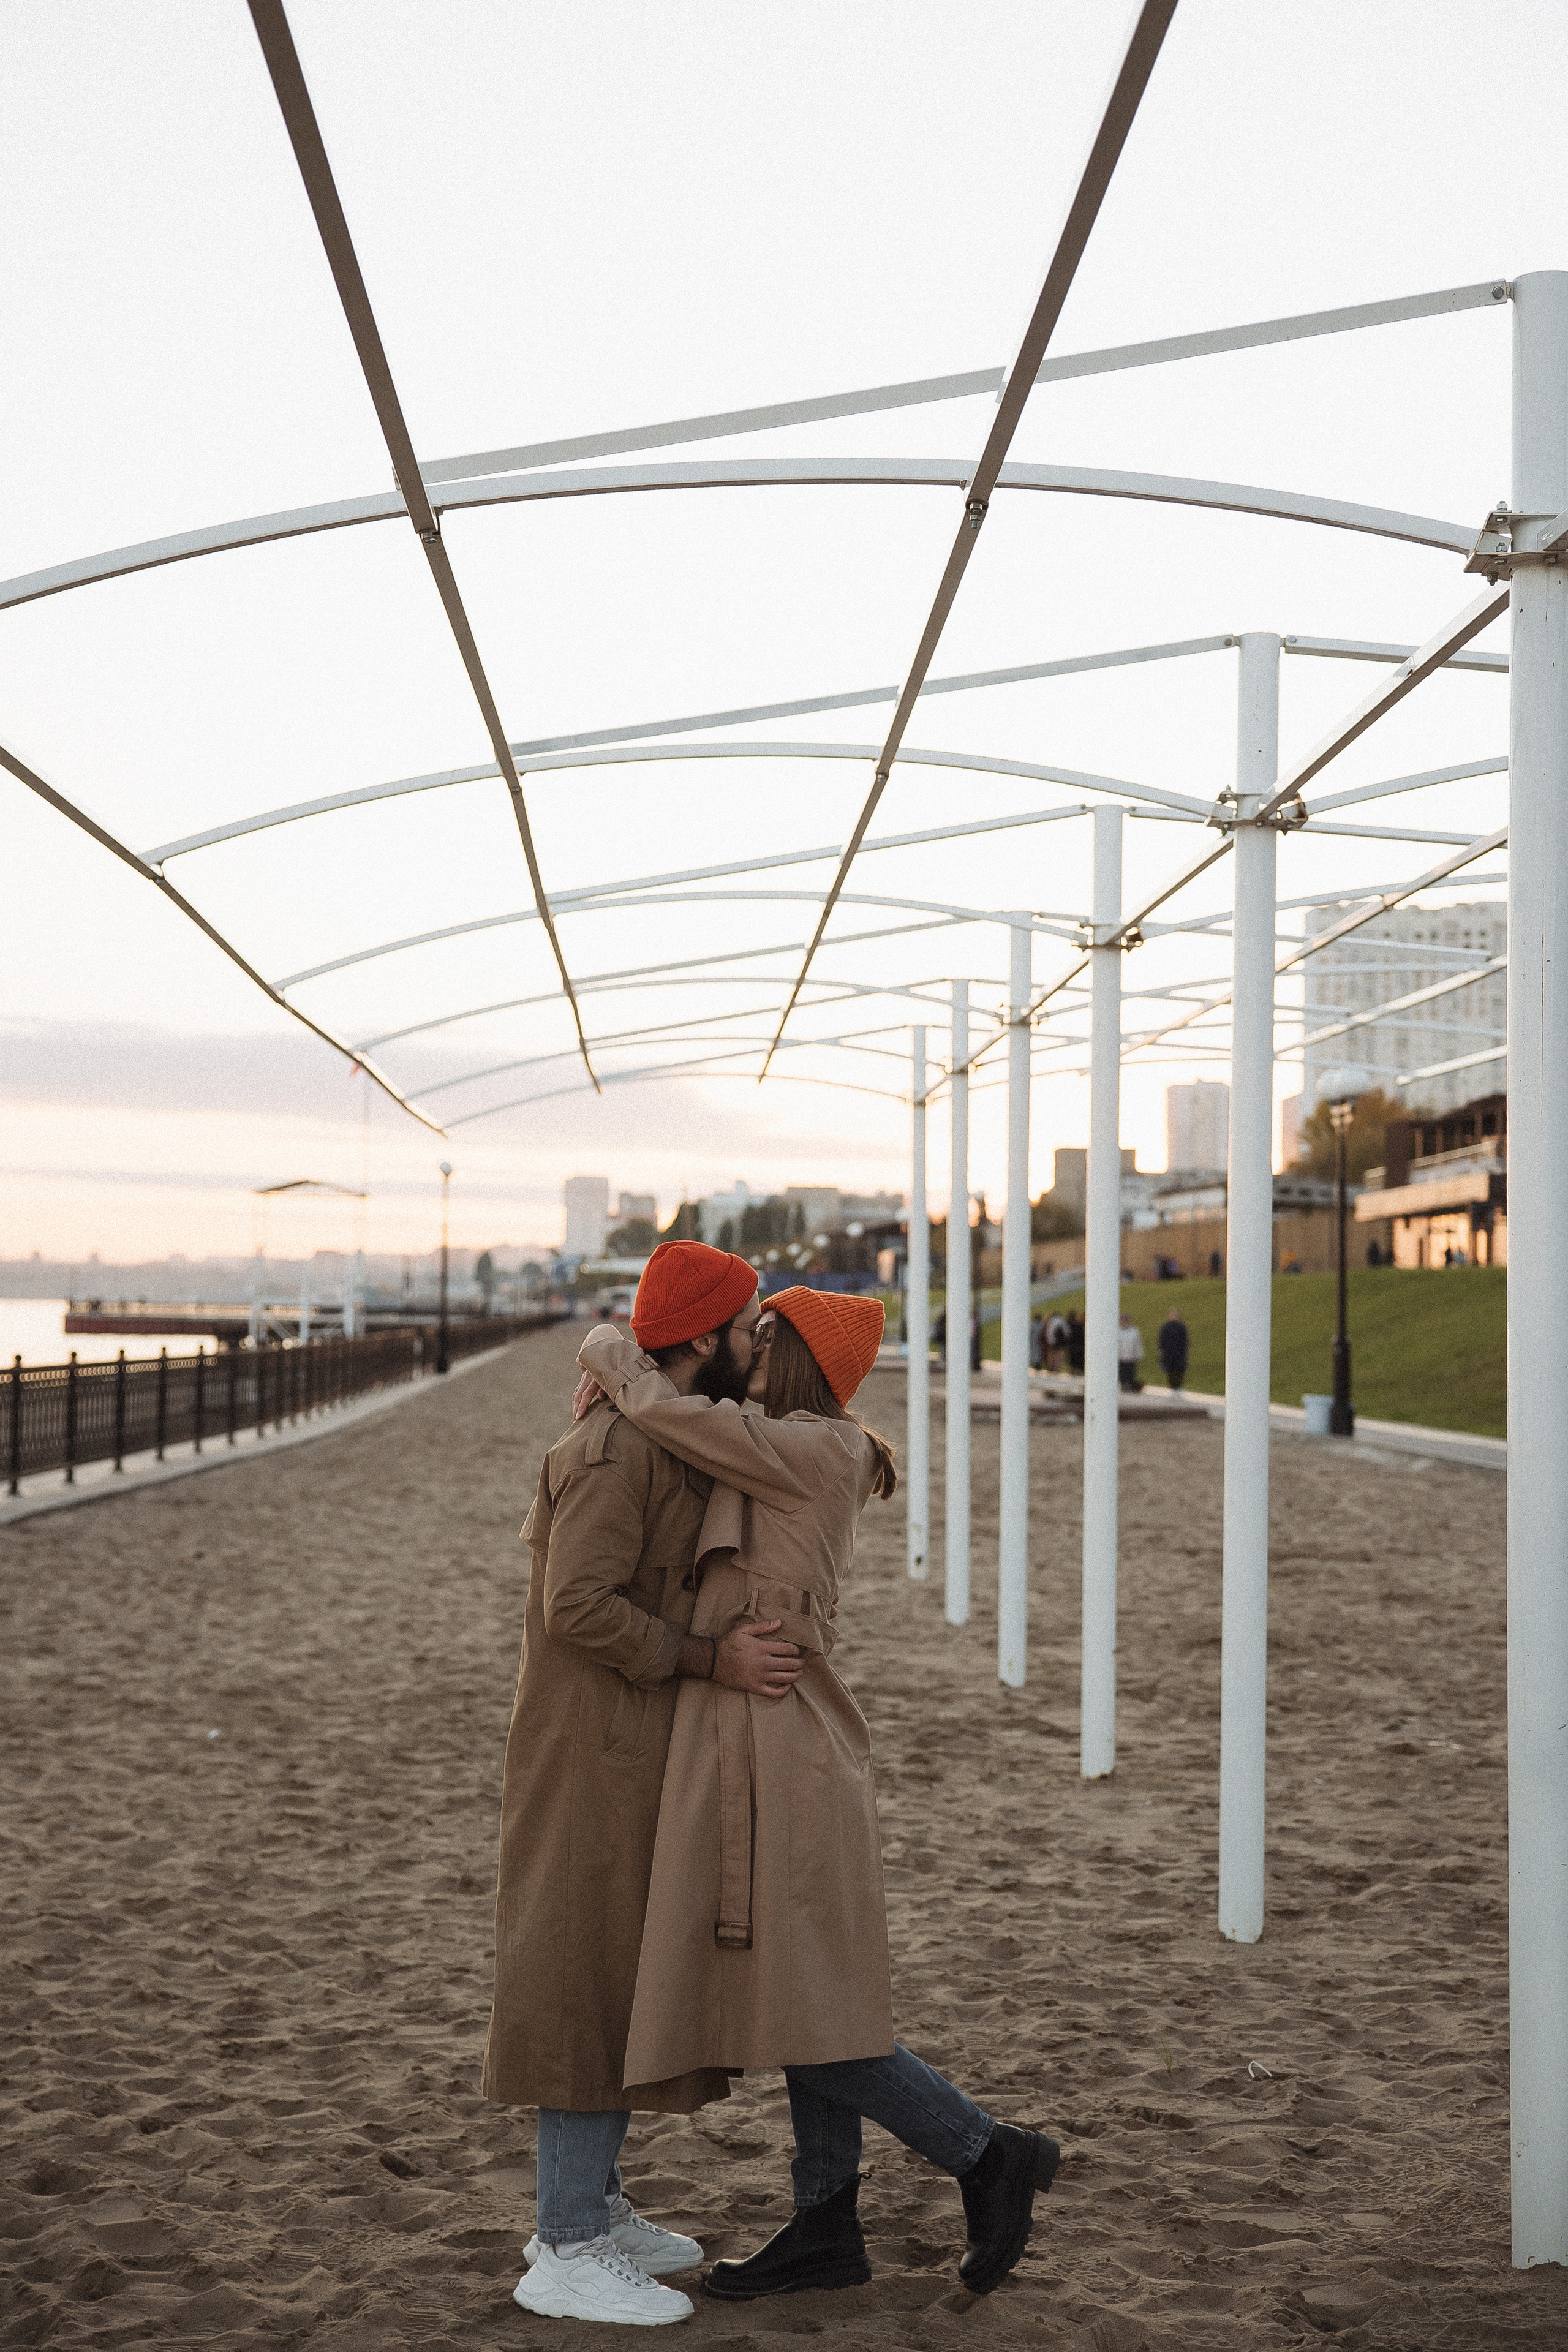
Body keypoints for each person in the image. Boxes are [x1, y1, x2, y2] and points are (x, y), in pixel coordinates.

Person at [576, 1292, 1060, 2304]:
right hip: (762, 1730)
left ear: (792, 1355)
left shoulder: (811, 1448)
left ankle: (986, 2154)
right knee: (805, 1990)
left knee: (804, 2008)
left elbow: (668, 1415)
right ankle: (826, 2222)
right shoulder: (796, 1443)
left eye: (761, 1334)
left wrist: (606, 1347)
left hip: (778, 1741)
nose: (745, 1344)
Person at [485, 1242, 809, 2328]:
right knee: (583, 1977)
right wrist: (711, 1659)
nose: (757, 1339)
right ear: (703, 1340)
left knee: (618, 1975)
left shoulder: (658, 1428)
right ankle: (566, 2245)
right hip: (589, 1751)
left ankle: (593, 2208)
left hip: (627, 1744)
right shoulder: (620, 1451)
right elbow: (576, 1603)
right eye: (748, 1324)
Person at [1156, 1308, 1189, 1393]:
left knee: (1179, 1371)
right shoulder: (1165, 1327)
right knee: (1170, 1370)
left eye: (1176, 1316)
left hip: (1179, 1353)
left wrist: (1185, 1349)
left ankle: (1178, 1387)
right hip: (1169, 1353)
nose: (1175, 1317)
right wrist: (1161, 1349)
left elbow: (1185, 1340)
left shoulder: (1182, 1327)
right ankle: (1172, 1387)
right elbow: (1162, 1339)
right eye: (1173, 1315)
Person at [1117, 1312, 1144, 1392]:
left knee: (1131, 1373)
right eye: (1124, 1321)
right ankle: (1123, 1385)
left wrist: (1139, 1354)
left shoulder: (1134, 1331)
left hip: (1131, 1357)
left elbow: (1138, 1343)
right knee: (1122, 1373)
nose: (1125, 1322)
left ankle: (1129, 1385)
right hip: (1121, 1357)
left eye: (1127, 1321)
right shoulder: (1118, 1331)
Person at [1066, 1310, 1085, 1376]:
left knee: (1073, 1358)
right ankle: (1079, 1370)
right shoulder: (1079, 1324)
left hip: (1073, 1344)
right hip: (1079, 1344)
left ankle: (1073, 1370)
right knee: (1079, 1358)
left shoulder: (1069, 1324)